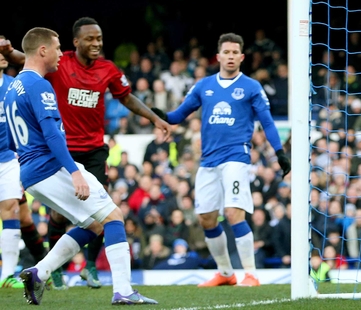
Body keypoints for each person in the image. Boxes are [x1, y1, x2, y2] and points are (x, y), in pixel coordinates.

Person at [0, 17, 171, 290]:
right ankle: (124, 291)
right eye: (57, 48)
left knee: (95, 225)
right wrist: (74, 170)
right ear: (43, 50)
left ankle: (39, 273)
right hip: (53, 165)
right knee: (113, 216)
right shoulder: (40, 84)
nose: (60, 52)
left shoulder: (12, 88)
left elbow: (9, 138)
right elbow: (53, 134)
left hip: (31, 172)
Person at [153, 33, 290, 287]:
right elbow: (178, 115)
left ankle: (251, 274)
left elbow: (267, 122)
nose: (230, 56)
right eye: (226, 52)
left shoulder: (251, 87)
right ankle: (226, 273)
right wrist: (158, 114)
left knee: (233, 212)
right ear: (218, 56)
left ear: (241, 57)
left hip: (236, 158)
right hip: (208, 162)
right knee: (206, 218)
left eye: (234, 52)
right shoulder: (204, 85)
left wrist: (280, 152)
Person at [0, 38, 49, 289]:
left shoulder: (12, 86)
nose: (2, 55)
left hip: (9, 159)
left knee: (12, 210)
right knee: (23, 216)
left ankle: (7, 275)